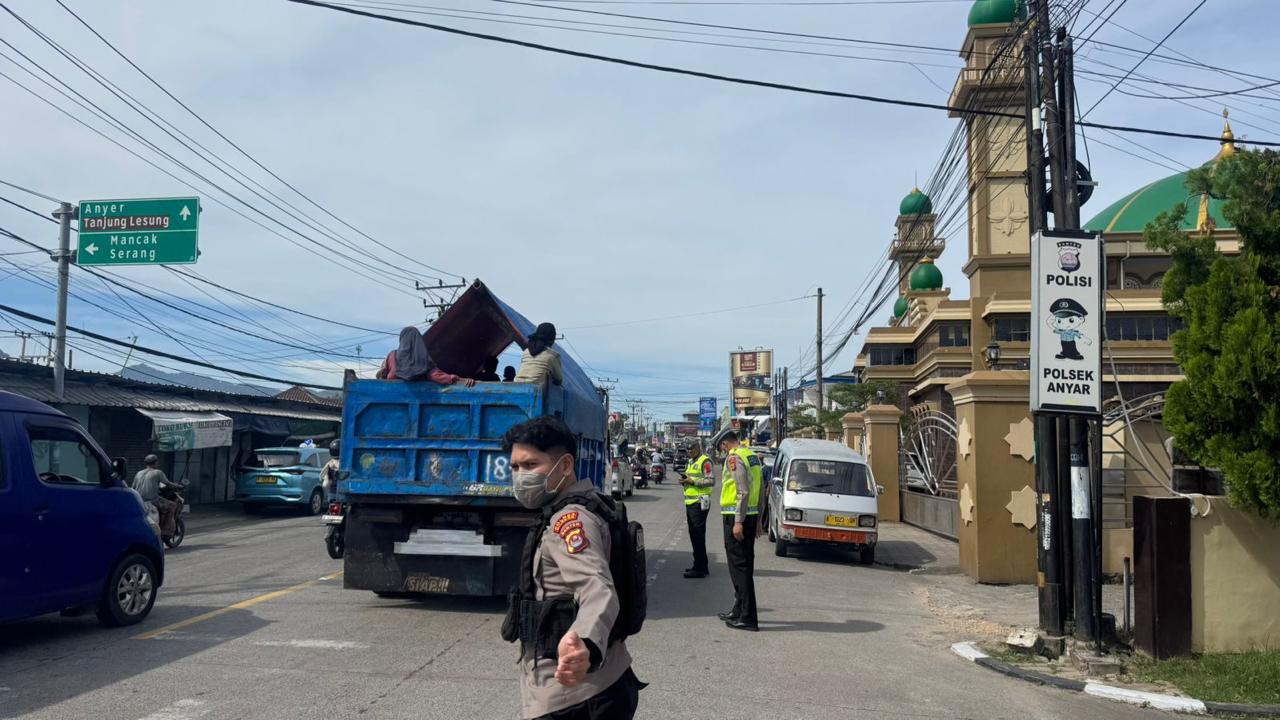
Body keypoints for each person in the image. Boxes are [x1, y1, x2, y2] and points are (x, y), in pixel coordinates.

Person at [501, 417, 643, 720]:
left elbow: (597, 588)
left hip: (575, 697)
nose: (520, 477)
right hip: (598, 684)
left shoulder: (571, 521)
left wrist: (585, 642)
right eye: (515, 467)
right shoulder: (579, 507)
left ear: (565, 465)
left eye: (530, 465)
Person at [716, 431, 763, 631]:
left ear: (725, 444)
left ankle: (748, 617)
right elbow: (761, 490)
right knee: (744, 565)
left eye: (721, 447)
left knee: (739, 568)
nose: (722, 451)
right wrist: (759, 519)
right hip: (750, 516)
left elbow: (742, 491)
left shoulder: (734, 457)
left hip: (737, 517)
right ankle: (738, 609)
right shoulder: (751, 456)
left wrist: (737, 521)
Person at [376, 326, 476, 386]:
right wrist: (462, 380)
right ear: (418, 341)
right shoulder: (424, 361)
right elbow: (439, 377)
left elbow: (381, 376)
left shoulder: (392, 356)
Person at [679, 442, 715, 579]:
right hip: (691, 502)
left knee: (698, 535)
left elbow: (711, 481)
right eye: (687, 450)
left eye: (691, 449)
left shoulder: (705, 461)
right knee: (694, 535)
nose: (689, 452)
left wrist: (692, 482)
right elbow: (690, 478)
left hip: (699, 502)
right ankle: (700, 565)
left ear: (698, 448)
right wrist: (685, 481)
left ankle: (699, 568)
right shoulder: (690, 462)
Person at [133, 454, 177, 538]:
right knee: (173, 505)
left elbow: (133, 487)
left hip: (139, 500)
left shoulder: (139, 473)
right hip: (153, 500)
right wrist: (178, 486)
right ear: (156, 462)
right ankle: (165, 530)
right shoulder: (158, 472)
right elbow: (168, 484)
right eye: (157, 462)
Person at [514, 322, 564, 387]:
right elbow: (559, 380)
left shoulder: (526, 351)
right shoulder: (553, 355)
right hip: (536, 390)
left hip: (516, 386)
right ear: (552, 339)